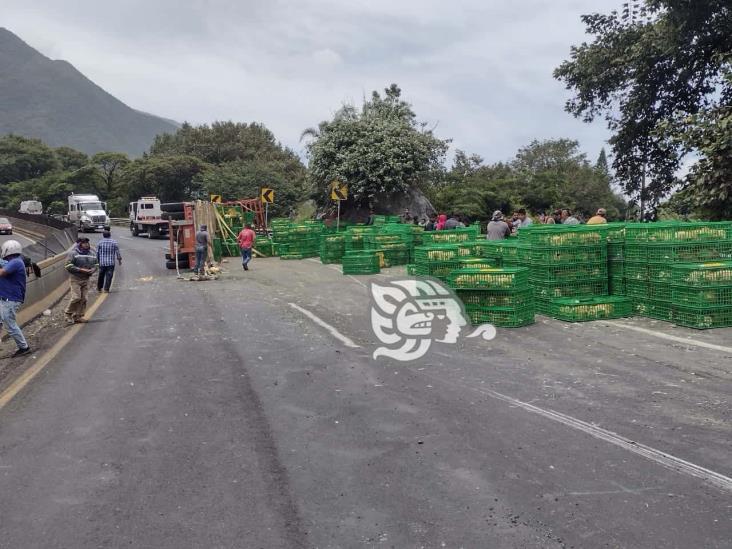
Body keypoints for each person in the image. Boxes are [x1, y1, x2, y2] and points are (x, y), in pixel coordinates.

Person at [0, 240, 31, 356]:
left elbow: (2, 272)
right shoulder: (13, 261)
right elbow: (2, 263)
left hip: (10, 299)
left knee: (10, 325)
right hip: (4, 298)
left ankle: (24, 347)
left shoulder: (16, 262)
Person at [64, 237, 98, 325]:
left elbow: (96, 264)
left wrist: (93, 270)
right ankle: (68, 314)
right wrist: (81, 270)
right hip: (75, 279)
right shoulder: (73, 253)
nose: (86, 244)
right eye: (84, 243)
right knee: (76, 297)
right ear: (80, 244)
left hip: (86, 279)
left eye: (87, 242)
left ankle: (78, 316)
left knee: (84, 298)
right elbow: (68, 266)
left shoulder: (91, 253)